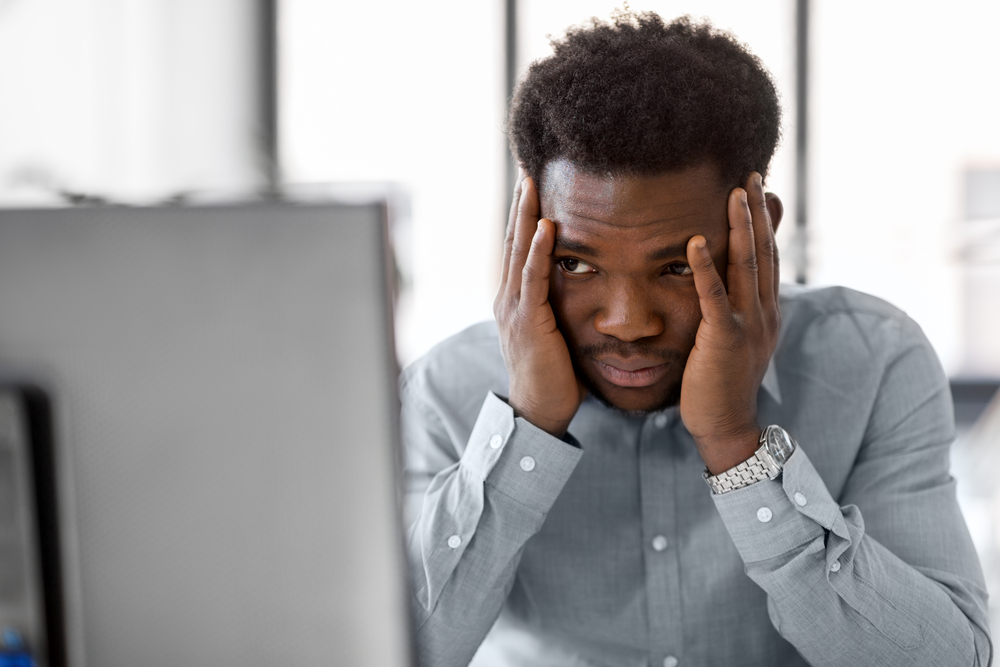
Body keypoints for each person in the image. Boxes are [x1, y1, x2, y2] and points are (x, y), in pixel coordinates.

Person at [400, 11, 991, 667]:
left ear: (759, 232)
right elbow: (397, 651)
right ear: (524, 238)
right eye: (576, 263)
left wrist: (738, 449)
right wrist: (526, 428)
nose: (628, 322)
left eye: (681, 266)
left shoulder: (873, 362)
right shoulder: (445, 392)